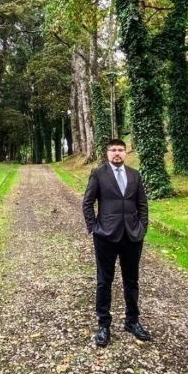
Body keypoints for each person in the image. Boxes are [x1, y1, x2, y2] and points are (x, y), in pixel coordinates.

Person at [81, 138, 152, 347]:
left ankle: (132, 321)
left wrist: (142, 228)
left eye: (120, 149)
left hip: (132, 236)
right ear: (107, 153)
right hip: (105, 236)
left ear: (126, 153)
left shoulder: (134, 175)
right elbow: (87, 203)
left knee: (132, 281)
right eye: (113, 150)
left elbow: (142, 204)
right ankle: (104, 325)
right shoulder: (98, 174)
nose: (117, 153)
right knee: (104, 281)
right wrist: (94, 228)